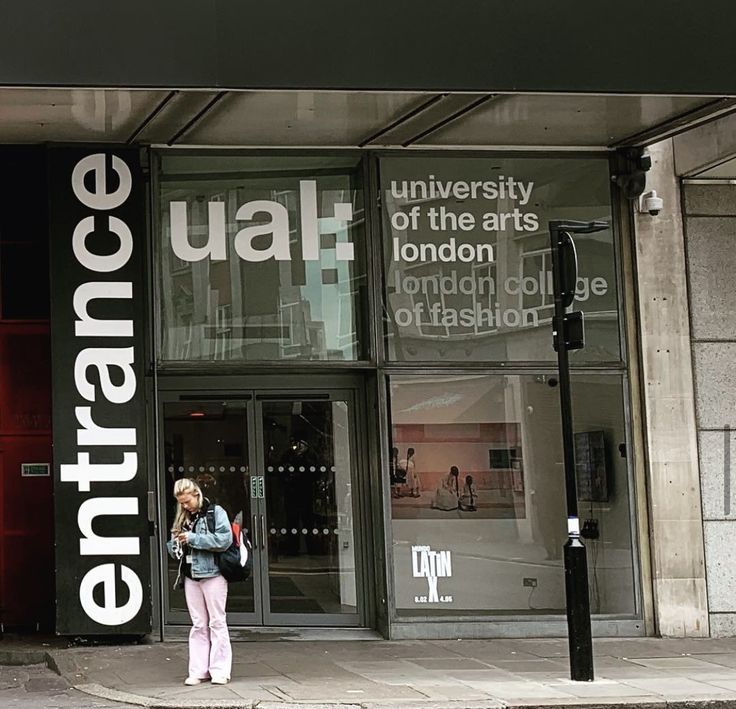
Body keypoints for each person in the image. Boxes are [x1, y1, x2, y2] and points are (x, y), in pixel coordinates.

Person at [167, 478, 233, 686]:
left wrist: (193, 538)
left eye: (187, 501)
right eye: (181, 503)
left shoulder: (216, 512)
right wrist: (175, 543)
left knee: (217, 621)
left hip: (213, 573)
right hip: (190, 575)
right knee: (198, 624)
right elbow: (173, 546)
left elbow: (224, 540)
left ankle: (220, 671)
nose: (185, 506)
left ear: (197, 494)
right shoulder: (183, 516)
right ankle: (198, 670)